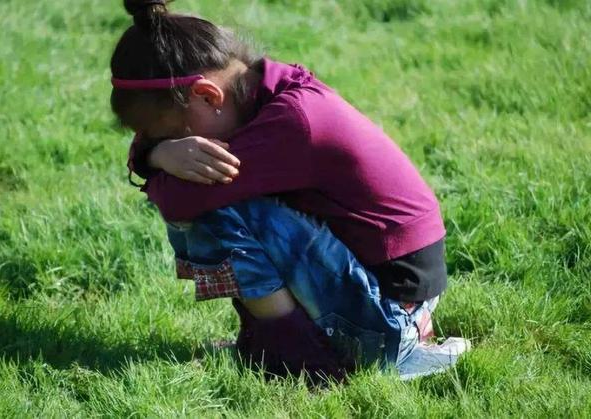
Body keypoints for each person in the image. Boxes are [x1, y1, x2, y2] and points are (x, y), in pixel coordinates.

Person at [110, 0, 470, 381]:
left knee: (210, 205)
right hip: (390, 295)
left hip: (390, 315)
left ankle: (304, 359)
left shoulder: (292, 122)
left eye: (170, 133)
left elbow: (177, 201)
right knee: (216, 191)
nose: (175, 147)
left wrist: (153, 158)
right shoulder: (265, 89)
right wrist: (160, 151)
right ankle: (276, 341)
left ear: (208, 97)